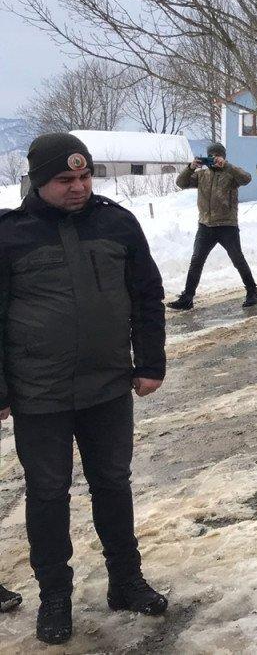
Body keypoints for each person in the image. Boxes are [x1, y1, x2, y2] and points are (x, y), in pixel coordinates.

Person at [0, 133, 170, 645]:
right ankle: (55, 597)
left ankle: (126, 580)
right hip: (39, 393)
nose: (78, 187)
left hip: (108, 386)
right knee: (48, 494)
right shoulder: (10, 236)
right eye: (65, 180)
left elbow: (147, 296)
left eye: (84, 176)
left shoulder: (117, 223)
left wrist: (151, 362)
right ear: (37, 180)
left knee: (113, 484)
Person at [167, 142, 257, 310]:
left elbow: (247, 178)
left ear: (223, 157)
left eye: (218, 156)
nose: (215, 159)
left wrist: (227, 166)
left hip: (227, 226)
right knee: (196, 261)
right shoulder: (202, 175)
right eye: (212, 156)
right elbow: (181, 183)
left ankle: (252, 292)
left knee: (237, 259)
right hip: (205, 226)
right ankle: (187, 298)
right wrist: (191, 167)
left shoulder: (231, 174)